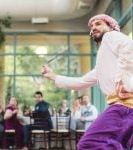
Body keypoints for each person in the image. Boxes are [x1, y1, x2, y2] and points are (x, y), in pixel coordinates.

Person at [42, 14, 133, 150]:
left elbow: (129, 46)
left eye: (98, 24)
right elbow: (82, 81)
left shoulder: (111, 36)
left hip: (124, 107)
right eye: (91, 26)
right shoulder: (102, 62)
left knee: (88, 144)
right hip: (124, 108)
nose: (93, 28)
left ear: (110, 26)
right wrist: (54, 76)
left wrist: (123, 79)